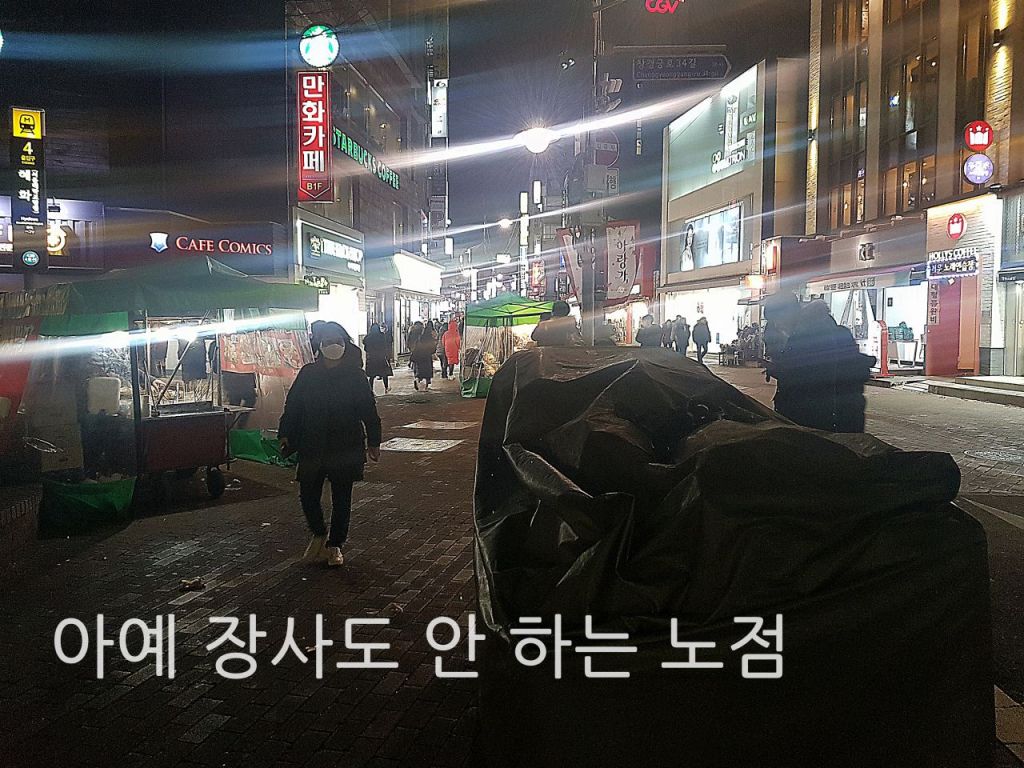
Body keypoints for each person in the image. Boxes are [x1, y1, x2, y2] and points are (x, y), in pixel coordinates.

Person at [278, 322, 382, 568]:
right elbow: (293, 405)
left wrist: (374, 441)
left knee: (342, 497)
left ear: (345, 344)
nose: (333, 345)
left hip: (345, 443)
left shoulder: (355, 375)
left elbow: (368, 409)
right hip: (312, 441)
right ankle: (318, 532)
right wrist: (285, 432)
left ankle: (335, 544)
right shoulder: (308, 373)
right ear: (320, 345)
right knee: (308, 493)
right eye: (328, 341)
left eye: (337, 341)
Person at [767, 301, 875, 433]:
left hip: (814, 419)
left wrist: (779, 371)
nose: (777, 326)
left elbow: (808, 378)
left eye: (776, 320)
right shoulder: (840, 333)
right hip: (844, 416)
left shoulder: (803, 338)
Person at [363, 323, 393, 394]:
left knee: (372, 376)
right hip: (380, 357)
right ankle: (386, 388)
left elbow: (365, 348)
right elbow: (385, 346)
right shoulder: (381, 336)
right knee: (384, 373)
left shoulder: (368, 337)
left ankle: (371, 390)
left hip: (372, 358)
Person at [411, 320, 437, 390]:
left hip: (419, 356)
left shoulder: (420, 337)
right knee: (427, 371)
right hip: (427, 356)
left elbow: (415, 346)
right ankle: (426, 386)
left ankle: (417, 379)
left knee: (419, 370)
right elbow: (433, 348)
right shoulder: (430, 338)